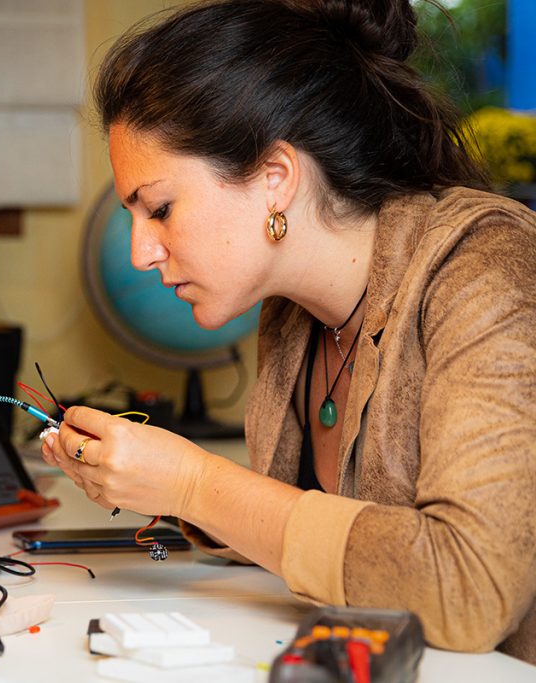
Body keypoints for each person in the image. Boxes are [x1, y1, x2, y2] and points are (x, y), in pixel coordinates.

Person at [42, 0, 536, 663]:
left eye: (160, 208)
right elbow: (307, 541)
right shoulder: (291, 313)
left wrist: (195, 484)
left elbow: (472, 586)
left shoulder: (486, 267)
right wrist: (151, 483)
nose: (139, 252)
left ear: (276, 178)